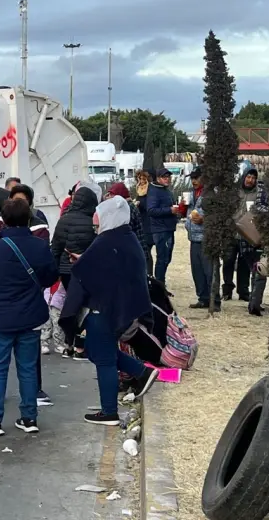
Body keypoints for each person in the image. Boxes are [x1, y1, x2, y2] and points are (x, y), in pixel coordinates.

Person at [59, 196, 160, 426]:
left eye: (99, 221)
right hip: (118, 308)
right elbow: (108, 269)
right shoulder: (126, 238)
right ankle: (141, 372)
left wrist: (80, 263)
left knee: (103, 358)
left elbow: (89, 271)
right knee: (96, 351)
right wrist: (85, 260)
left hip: (103, 310)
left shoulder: (107, 241)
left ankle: (109, 412)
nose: (96, 226)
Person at [0, 198, 59, 436]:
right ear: (28, 218)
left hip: (0, 317)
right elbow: (50, 278)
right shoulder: (39, 246)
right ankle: (29, 418)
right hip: (30, 315)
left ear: (4, 220)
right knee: (28, 368)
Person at [50, 183, 99, 360]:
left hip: (66, 272)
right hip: (87, 271)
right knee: (85, 309)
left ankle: (68, 343)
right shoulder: (93, 221)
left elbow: (55, 248)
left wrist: (55, 270)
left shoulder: (64, 219)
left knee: (71, 306)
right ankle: (80, 347)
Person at [185, 168, 220, 311]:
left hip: (206, 237)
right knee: (197, 270)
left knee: (209, 270)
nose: (194, 181)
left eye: (196, 178)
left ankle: (215, 300)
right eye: (192, 178)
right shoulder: (192, 193)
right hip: (193, 237)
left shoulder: (211, 194)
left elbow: (218, 215)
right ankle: (203, 298)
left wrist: (204, 220)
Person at [223, 168, 260, 301]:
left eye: (253, 178)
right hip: (232, 232)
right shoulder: (235, 192)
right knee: (228, 262)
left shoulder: (257, 194)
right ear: (244, 177)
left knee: (244, 264)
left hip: (246, 233)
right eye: (248, 177)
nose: (250, 180)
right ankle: (227, 289)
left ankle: (243, 291)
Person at [147, 168, 179, 286]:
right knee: (162, 258)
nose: (167, 179)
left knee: (166, 258)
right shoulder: (155, 191)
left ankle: (160, 283)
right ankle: (159, 285)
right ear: (158, 178)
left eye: (168, 177)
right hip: (160, 229)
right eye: (164, 177)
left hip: (168, 228)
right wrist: (169, 210)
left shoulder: (165, 190)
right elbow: (151, 210)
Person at [243, 179, 269, 316]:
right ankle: (254, 305)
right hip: (265, 233)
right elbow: (258, 206)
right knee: (260, 269)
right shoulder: (264, 187)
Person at [105, 182, 144, 248]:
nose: (110, 197)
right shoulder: (128, 206)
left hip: (134, 246)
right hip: (137, 244)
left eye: (112, 194)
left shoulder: (127, 208)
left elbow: (125, 230)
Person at [135, 170, 155, 275]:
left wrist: (140, 205)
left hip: (149, 223)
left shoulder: (150, 190)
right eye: (140, 179)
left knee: (146, 250)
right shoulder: (138, 190)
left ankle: (149, 273)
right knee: (145, 250)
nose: (141, 181)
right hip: (142, 222)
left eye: (143, 179)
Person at [41, 281, 67, 355]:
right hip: (47, 303)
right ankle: (44, 344)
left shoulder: (63, 283)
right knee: (46, 325)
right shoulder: (47, 282)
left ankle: (58, 344)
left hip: (57, 305)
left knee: (58, 325)